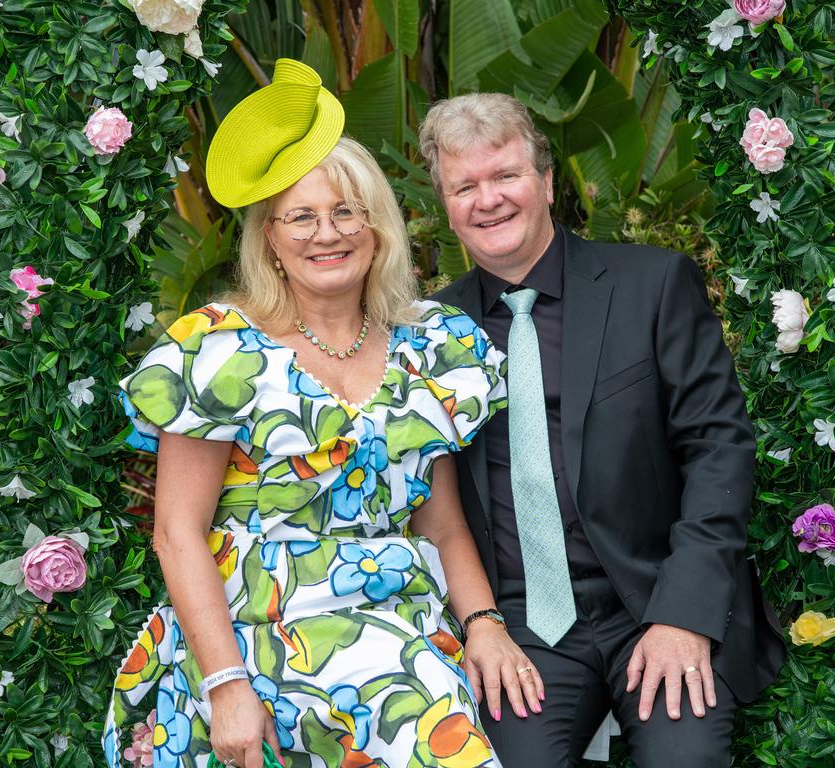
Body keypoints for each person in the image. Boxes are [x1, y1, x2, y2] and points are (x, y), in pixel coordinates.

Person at [101, 61, 542, 768]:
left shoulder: (430, 345)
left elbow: (441, 521)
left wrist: (484, 623)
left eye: (345, 212)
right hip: (250, 632)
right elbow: (176, 534)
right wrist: (225, 686)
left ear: (377, 228)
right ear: (269, 238)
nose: (326, 233)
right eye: (300, 217)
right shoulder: (221, 351)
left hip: (390, 625)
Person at [421, 92, 787, 767]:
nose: (488, 199)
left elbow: (718, 450)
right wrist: (480, 625)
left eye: (505, 176)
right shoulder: (427, 334)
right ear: (445, 203)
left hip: (652, 597)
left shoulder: (650, 286)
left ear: (548, 180)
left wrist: (683, 612)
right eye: (464, 185)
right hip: (519, 622)